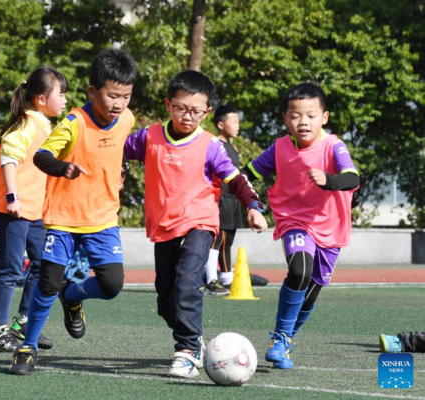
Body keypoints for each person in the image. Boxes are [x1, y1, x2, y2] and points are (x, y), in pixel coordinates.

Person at [124, 70, 268, 378]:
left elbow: (237, 180)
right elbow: (113, 151)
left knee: (187, 283)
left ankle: (187, 351)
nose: (188, 116)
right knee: (165, 302)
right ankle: (194, 339)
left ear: (207, 112)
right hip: (164, 228)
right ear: (168, 105)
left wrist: (254, 206)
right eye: (181, 108)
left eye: (196, 111)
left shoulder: (211, 145)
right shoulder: (148, 136)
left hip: (200, 223)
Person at [8, 48, 137, 375]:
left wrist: (120, 170)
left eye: (126, 96)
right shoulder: (74, 122)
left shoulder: (128, 119)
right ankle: (28, 346)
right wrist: (64, 168)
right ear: (93, 92)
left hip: (103, 218)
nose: (119, 103)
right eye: (112, 96)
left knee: (112, 285)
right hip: (64, 219)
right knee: (47, 284)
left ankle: (74, 294)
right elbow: (41, 156)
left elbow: (119, 150)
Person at [240, 82, 360, 369]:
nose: (303, 122)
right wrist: (249, 203)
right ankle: (280, 337)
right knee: (299, 270)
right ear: (285, 119)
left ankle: (286, 339)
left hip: (331, 228)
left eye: (311, 115)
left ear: (325, 117)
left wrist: (329, 180)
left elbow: (352, 178)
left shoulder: (334, 145)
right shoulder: (280, 147)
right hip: (294, 222)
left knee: (312, 291)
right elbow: (246, 174)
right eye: (295, 115)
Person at [0, 67, 68, 353]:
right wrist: (12, 197)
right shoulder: (27, 124)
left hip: (35, 211)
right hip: (13, 209)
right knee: (10, 269)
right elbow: (9, 158)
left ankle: (23, 321)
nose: (65, 100)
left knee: (41, 266)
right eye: (62, 94)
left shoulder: (46, 126)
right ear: (43, 98)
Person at [203, 105, 269, 295]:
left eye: (238, 122)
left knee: (228, 241)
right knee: (216, 241)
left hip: (233, 202)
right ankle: (211, 281)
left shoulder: (233, 147)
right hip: (220, 201)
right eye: (234, 122)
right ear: (221, 124)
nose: (237, 126)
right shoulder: (214, 145)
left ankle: (225, 278)